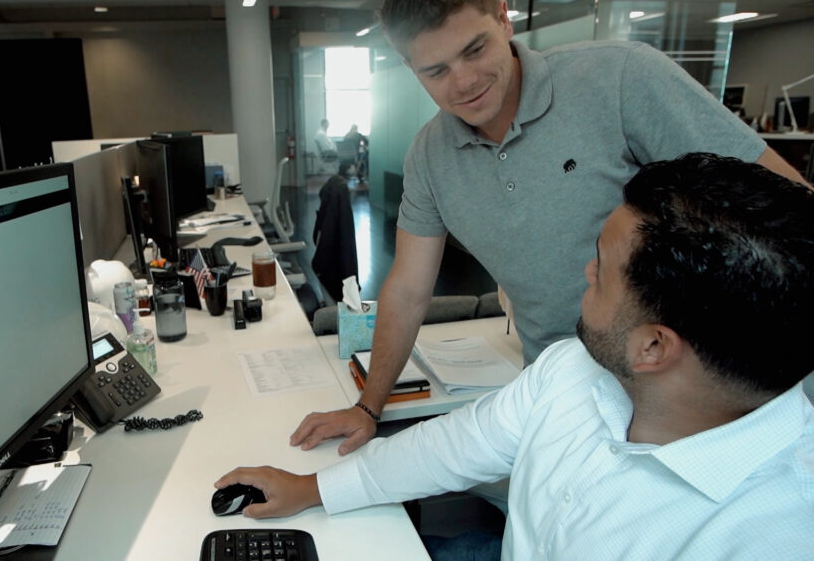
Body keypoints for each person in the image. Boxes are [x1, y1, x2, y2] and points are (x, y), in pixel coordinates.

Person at [290, 0, 807, 459]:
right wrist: (368, 407)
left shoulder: (620, 78)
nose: (464, 82)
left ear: (503, 19)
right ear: (410, 66)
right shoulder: (429, 157)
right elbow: (407, 290)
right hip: (561, 394)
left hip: (692, 399)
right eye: (436, 70)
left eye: (475, 50)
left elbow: (788, 213)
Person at [218, 153, 814, 560]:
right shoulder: (573, 369)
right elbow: (450, 447)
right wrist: (312, 488)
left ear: (653, 347)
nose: (586, 271)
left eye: (603, 269)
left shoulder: (775, 533)